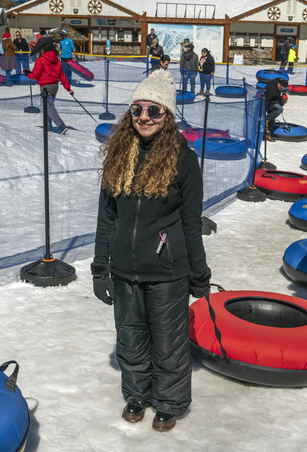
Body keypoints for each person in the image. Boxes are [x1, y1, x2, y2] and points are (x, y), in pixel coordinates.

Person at [91, 70, 211, 432]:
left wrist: (199, 273)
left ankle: (169, 401)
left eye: (154, 111)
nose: (144, 117)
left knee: (168, 341)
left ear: (168, 116)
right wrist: (100, 267)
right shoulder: (119, 156)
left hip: (167, 271)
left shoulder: (184, 160)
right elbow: (106, 216)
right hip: (125, 268)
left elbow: (191, 222)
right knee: (129, 335)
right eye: (137, 109)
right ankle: (137, 393)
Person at [24, 44, 73, 135]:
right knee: (47, 106)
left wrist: (27, 73)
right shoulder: (57, 61)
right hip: (54, 86)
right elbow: (62, 76)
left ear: (43, 51)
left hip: (46, 86)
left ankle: (61, 126)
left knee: (48, 106)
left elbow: (35, 75)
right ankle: (48, 126)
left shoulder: (40, 60)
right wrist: (68, 88)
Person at [263, 77, 287, 141]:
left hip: (274, 100)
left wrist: (281, 101)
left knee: (272, 119)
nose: (281, 90)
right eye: (280, 88)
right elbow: (267, 100)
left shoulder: (279, 83)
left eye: (283, 89)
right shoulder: (271, 90)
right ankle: (266, 119)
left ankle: (267, 135)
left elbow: (280, 94)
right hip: (268, 102)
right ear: (278, 84)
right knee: (279, 109)